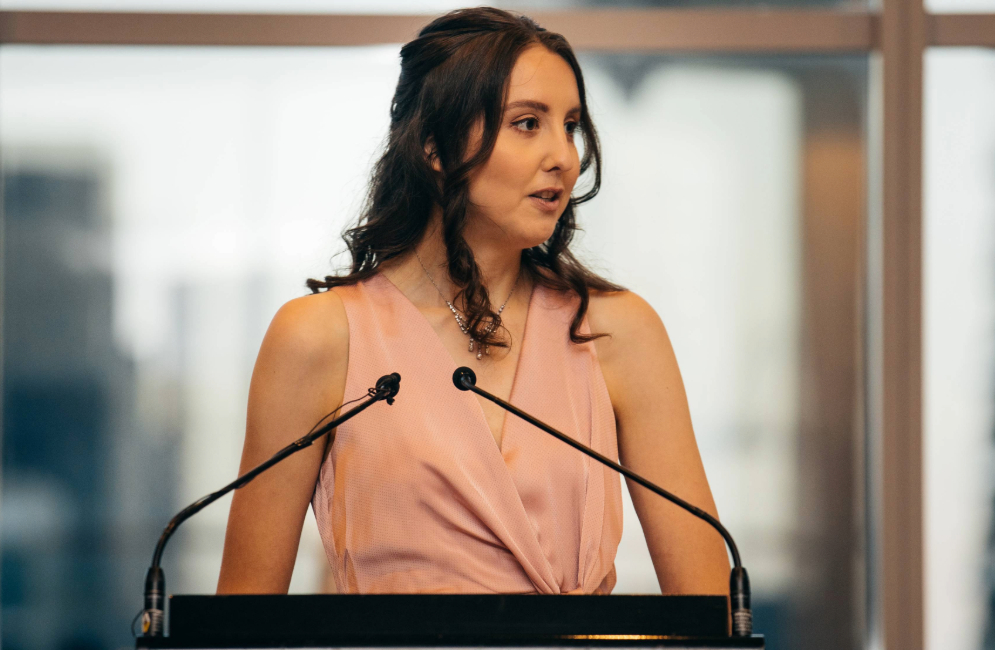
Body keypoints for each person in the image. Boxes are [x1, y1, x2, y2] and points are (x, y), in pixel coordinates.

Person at [216, 6, 729, 596]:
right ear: (434, 146)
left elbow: (709, 611)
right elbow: (242, 618)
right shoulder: (317, 336)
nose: (564, 155)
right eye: (528, 123)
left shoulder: (617, 331)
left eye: (571, 125)